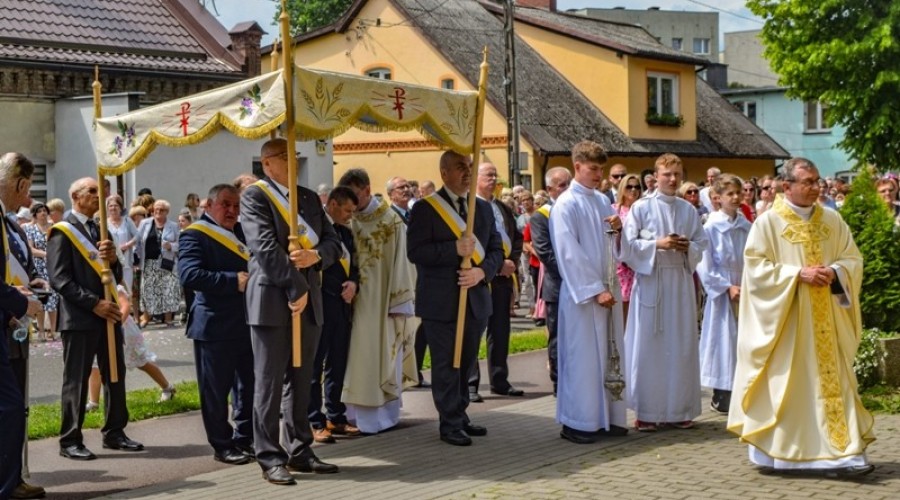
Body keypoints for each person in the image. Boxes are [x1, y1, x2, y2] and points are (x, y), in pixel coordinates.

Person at [728, 157, 876, 478]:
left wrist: (836, 272)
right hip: (788, 326)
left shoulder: (832, 221)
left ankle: (841, 455)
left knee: (833, 384)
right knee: (789, 387)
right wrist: (797, 275)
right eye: (807, 182)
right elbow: (756, 270)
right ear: (787, 186)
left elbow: (852, 259)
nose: (815, 187)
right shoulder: (768, 223)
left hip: (827, 325)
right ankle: (781, 456)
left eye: (817, 181)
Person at [240, 138, 342, 485]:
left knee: (302, 379)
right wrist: (294, 287)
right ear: (267, 164)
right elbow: (264, 248)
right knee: (269, 382)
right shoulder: (255, 196)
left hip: (308, 300)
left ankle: (301, 448)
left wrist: (317, 257)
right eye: (285, 156)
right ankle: (269, 456)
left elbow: (333, 241)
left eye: (294, 155)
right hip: (273, 299)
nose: (294, 161)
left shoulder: (310, 198)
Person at [407, 150, 503, 446]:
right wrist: (454, 250)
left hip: (475, 299)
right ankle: (448, 422)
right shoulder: (426, 209)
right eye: (461, 167)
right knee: (446, 364)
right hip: (441, 302)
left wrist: (481, 274)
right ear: (444, 172)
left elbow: (497, 251)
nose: (467, 172)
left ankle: (460, 414)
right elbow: (416, 252)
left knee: (467, 361)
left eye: (470, 167)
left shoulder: (482, 209)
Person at [48, 177, 143, 460]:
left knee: (115, 373)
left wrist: (113, 259)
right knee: (76, 378)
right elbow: (60, 279)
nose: (98, 195)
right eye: (92, 191)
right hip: (79, 317)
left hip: (108, 315)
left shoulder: (100, 229)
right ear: (76, 196)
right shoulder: (62, 231)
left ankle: (115, 431)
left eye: (101, 191)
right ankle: (70, 439)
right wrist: (94, 304)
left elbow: (112, 273)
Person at [620, 153, 708, 432]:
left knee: (680, 345)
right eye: (667, 174)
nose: (672, 179)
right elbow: (626, 246)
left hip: (680, 281)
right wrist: (658, 244)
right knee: (650, 347)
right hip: (652, 281)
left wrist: (687, 248)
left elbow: (701, 242)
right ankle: (647, 411)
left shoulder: (687, 209)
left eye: (677, 174)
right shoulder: (641, 208)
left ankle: (680, 410)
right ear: (655, 177)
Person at [550, 141, 627, 444]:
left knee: (609, 356)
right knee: (583, 359)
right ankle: (577, 422)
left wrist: (618, 230)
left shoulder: (601, 202)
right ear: (577, 166)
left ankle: (607, 418)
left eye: (601, 169)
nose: (599, 174)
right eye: (594, 169)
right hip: (585, 297)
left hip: (607, 289)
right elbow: (569, 252)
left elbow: (611, 246)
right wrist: (595, 290)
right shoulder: (566, 204)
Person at [178, 183, 255, 465]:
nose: (232, 211)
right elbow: (190, 275)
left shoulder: (243, 232)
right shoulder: (194, 235)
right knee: (216, 390)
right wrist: (231, 280)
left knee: (249, 385)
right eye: (226, 204)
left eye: (236, 206)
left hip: (248, 321)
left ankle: (246, 438)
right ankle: (222, 444)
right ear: (208, 206)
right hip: (214, 324)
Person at [339, 169, 418, 433]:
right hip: (348, 301)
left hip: (382, 304)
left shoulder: (390, 221)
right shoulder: (348, 219)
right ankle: (348, 416)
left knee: (379, 355)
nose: (351, 203)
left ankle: (381, 417)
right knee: (349, 357)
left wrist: (399, 303)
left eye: (354, 195)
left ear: (366, 189)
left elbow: (403, 263)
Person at [0, 152, 46, 499]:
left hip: (10, 324)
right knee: (10, 407)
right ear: (19, 184)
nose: (28, 200)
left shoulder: (11, 222)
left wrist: (29, 286)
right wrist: (19, 300)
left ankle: (12, 479)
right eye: (27, 190)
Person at [307, 186, 360, 443]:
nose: (351, 215)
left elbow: (355, 265)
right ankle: (314, 420)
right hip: (320, 306)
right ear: (334, 204)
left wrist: (353, 283)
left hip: (342, 306)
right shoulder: (316, 231)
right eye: (348, 210)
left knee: (338, 364)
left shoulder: (346, 233)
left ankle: (336, 416)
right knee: (315, 366)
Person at [468, 163, 524, 402]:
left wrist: (511, 260)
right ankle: (470, 384)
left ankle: (500, 380)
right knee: (474, 332)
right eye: (488, 175)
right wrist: (494, 264)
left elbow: (516, 237)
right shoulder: (469, 207)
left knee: (500, 330)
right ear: (475, 177)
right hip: (481, 277)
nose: (493, 178)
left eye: (495, 174)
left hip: (504, 277)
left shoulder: (501, 207)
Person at [695, 174, 750, 415]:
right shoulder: (711, 227)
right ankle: (722, 390)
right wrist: (726, 287)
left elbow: (753, 257)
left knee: (742, 339)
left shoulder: (746, 226)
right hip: (723, 290)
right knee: (722, 339)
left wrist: (749, 282)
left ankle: (742, 387)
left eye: (739, 193)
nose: (736, 197)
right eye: (730, 194)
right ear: (717, 198)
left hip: (745, 287)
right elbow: (704, 263)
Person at [86, 283, 176, 410]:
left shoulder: (114, 286)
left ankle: (167, 387)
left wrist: (116, 325)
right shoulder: (91, 287)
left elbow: (125, 306)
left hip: (124, 331)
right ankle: (93, 402)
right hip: (103, 330)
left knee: (141, 362)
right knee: (95, 363)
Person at [530, 166, 572, 394]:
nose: (567, 189)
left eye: (569, 183)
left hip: (579, 286)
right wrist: (573, 273)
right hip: (558, 286)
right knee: (557, 336)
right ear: (549, 189)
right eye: (562, 185)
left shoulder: (574, 209)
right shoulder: (541, 216)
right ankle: (558, 382)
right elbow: (545, 252)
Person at [386, 176, 430, 388]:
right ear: (390, 194)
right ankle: (404, 374)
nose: (406, 190)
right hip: (402, 280)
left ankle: (416, 371)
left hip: (420, 276)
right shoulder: (389, 218)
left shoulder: (415, 215)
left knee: (419, 327)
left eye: (407, 187)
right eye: (400, 187)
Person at [136, 200, 181, 327]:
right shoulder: (145, 223)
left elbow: (181, 244)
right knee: (147, 291)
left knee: (168, 290)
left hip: (167, 262)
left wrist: (170, 246)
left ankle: (168, 318)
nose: (158, 211)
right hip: (149, 262)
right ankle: (145, 317)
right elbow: (138, 241)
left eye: (161, 209)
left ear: (167, 212)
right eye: (156, 209)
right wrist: (136, 258)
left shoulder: (173, 226)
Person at [24, 202, 60, 341]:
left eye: (45, 210)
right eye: (40, 211)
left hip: (53, 266)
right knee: (41, 299)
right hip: (39, 266)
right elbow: (31, 249)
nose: (43, 213)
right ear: (35, 214)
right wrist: (46, 254)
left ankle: (53, 330)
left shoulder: (53, 227)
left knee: (53, 299)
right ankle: (41, 331)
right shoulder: (31, 229)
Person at [613, 174, 642, 324]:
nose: (633, 190)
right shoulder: (614, 210)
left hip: (640, 263)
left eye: (637, 186)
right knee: (623, 304)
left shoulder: (643, 210)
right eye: (629, 186)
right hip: (621, 265)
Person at [105, 195, 139, 293]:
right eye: (110, 206)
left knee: (127, 290)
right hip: (112, 261)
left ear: (120, 207)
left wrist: (127, 245)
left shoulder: (127, 221)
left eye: (116, 205)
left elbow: (137, 236)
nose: (113, 208)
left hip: (126, 261)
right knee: (114, 290)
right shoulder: (104, 223)